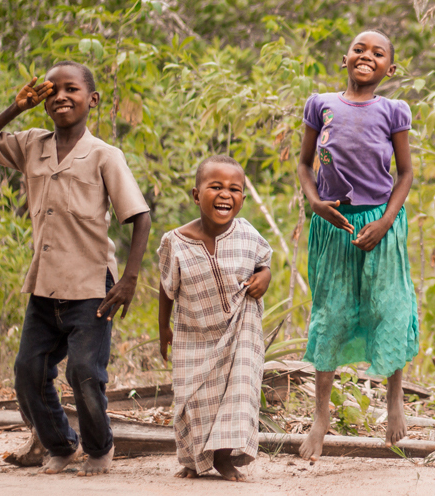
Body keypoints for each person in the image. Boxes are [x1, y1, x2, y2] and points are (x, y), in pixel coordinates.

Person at [0, 61, 151, 476]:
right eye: (54, 91)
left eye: (73, 90)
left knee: (85, 372)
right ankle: (61, 445)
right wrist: (16, 109)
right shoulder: (32, 144)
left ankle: (100, 449)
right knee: (28, 372)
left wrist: (129, 279)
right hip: (44, 285)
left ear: (93, 100)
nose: (62, 97)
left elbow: (139, 216)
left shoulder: (105, 154)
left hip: (91, 286)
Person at [296, 30, 418, 459]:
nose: (367, 56)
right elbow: (304, 162)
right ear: (345, 58)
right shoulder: (321, 104)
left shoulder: (393, 111)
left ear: (390, 67)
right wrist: (314, 202)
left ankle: (394, 402)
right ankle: (321, 417)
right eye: (359, 49)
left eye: (378, 52)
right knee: (330, 314)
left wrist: (386, 221)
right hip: (333, 223)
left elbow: (404, 174)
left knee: (389, 306)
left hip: (381, 222)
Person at [157, 155, 272, 481]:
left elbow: (263, 263)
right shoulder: (174, 242)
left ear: (243, 199)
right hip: (193, 330)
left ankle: (224, 458)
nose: (225, 194)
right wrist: (163, 328)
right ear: (196, 195)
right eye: (215, 187)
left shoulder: (248, 234)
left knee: (238, 392)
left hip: (240, 328)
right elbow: (166, 288)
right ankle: (195, 458)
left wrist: (265, 276)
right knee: (193, 399)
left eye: (234, 189)